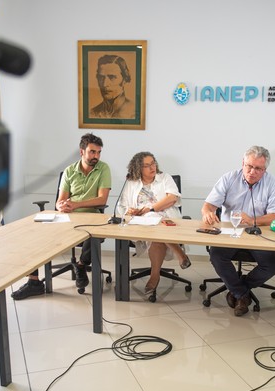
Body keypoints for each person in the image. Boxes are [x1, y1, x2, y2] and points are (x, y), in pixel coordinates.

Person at [12, 133, 111, 300]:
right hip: (67, 217)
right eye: (92, 152)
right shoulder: (70, 171)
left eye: (99, 152)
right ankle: (34, 282)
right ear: (82, 152)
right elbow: (60, 200)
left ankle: (80, 265)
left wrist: (77, 204)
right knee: (33, 234)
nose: (96, 156)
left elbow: (102, 199)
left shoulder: (103, 169)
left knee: (93, 236)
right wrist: (60, 205)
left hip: (92, 217)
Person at [201, 146, 275, 316]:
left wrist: (253, 220)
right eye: (249, 166)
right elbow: (208, 205)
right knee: (217, 256)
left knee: (272, 264)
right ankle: (242, 294)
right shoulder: (228, 178)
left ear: (265, 169)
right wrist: (208, 212)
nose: (252, 171)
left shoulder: (273, 182)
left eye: (258, 168)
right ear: (243, 163)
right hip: (230, 231)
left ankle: (238, 288)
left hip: (258, 233)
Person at [117, 152, 191, 295]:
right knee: (153, 221)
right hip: (140, 224)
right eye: (147, 165)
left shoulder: (165, 178)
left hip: (166, 219)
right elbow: (122, 206)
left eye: (153, 163)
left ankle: (154, 276)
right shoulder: (131, 183)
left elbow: (172, 198)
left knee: (155, 223)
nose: (152, 167)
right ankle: (179, 253)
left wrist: (151, 208)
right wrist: (130, 210)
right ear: (138, 168)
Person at [89, 55, 135, 119]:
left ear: (124, 80)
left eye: (112, 77)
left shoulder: (134, 113)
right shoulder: (92, 113)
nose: (104, 84)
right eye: (101, 77)